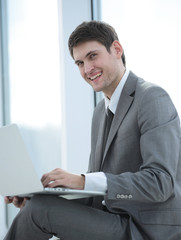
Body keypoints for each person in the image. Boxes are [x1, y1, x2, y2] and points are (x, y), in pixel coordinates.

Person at [4, 21, 181, 240]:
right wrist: (41, 196)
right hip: (113, 220)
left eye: (92, 56)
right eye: (79, 62)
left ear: (116, 49)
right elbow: (97, 194)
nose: (87, 69)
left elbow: (160, 183)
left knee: (41, 211)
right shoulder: (100, 112)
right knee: (38, 206)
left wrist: (82, 180)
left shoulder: (152, 98)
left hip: (147, 230)